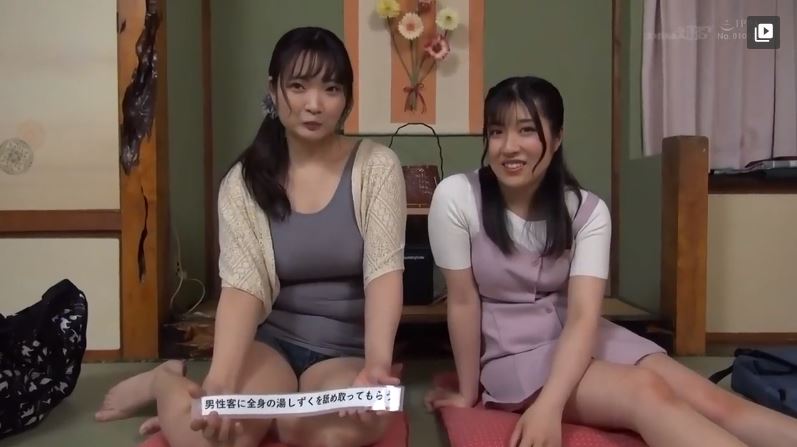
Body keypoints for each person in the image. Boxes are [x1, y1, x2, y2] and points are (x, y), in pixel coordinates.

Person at [423, 75, 797, 447]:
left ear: (557, 138)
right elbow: (463, 302)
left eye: (526, 130)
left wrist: (551, 404)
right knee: (644, 392)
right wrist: (470, 392)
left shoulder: (586, 210)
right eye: (496, 132)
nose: (509, 146)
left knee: (714, 401)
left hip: (585, 335)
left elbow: (584, 316)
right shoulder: (457, 197)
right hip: (514, 354)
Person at [95, 26, 407, 447]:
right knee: (212, 437)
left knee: (323, 433)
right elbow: (242, 289)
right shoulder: (243, 183)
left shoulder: (378, 167)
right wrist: (220, 383)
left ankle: (286, 416)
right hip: (271, 345)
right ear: (273, 90)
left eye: (331, 89)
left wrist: (376, 365)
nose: (314, 104)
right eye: (298, 86)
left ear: (347, 99)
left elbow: (384, 274)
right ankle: (164, 381)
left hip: (345, 353)